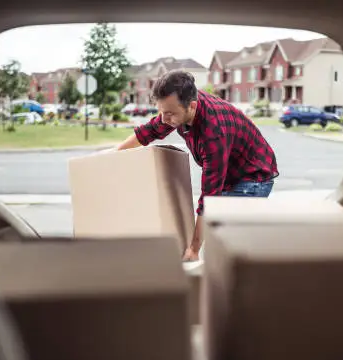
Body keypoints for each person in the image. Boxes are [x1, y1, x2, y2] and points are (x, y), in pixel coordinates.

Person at [116, 70, 279, 261]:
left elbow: (209, 197)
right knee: (217, 237)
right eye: (161, 112)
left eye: (169, 114)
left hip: (253, 177)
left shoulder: (212, 133)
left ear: (191, 106)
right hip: (230, 172)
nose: (163, 119)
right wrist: (113, 155)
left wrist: (193, 249)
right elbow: (148, 132)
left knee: (226, 241)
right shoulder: (178, 107)